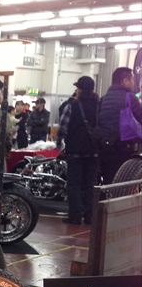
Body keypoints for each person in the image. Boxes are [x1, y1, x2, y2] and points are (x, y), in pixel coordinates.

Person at [56, 76, 100, 226]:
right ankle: (90, 216)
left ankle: (75, 215)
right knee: (90, 183)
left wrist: (59, 146)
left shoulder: (72, 106)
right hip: (94, 150)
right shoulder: (99, 105)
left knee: (74, 183)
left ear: (79, 89)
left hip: (75, 151)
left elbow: (62, 128)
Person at [94, 66, 142, 184]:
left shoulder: (103, 99)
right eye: (132, 80)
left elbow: (98, 121)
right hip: (122, 146)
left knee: (107, 179)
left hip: (104, 146)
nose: (133, 83)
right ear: (125, 81)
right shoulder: (130, 97)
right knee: (121, 181)